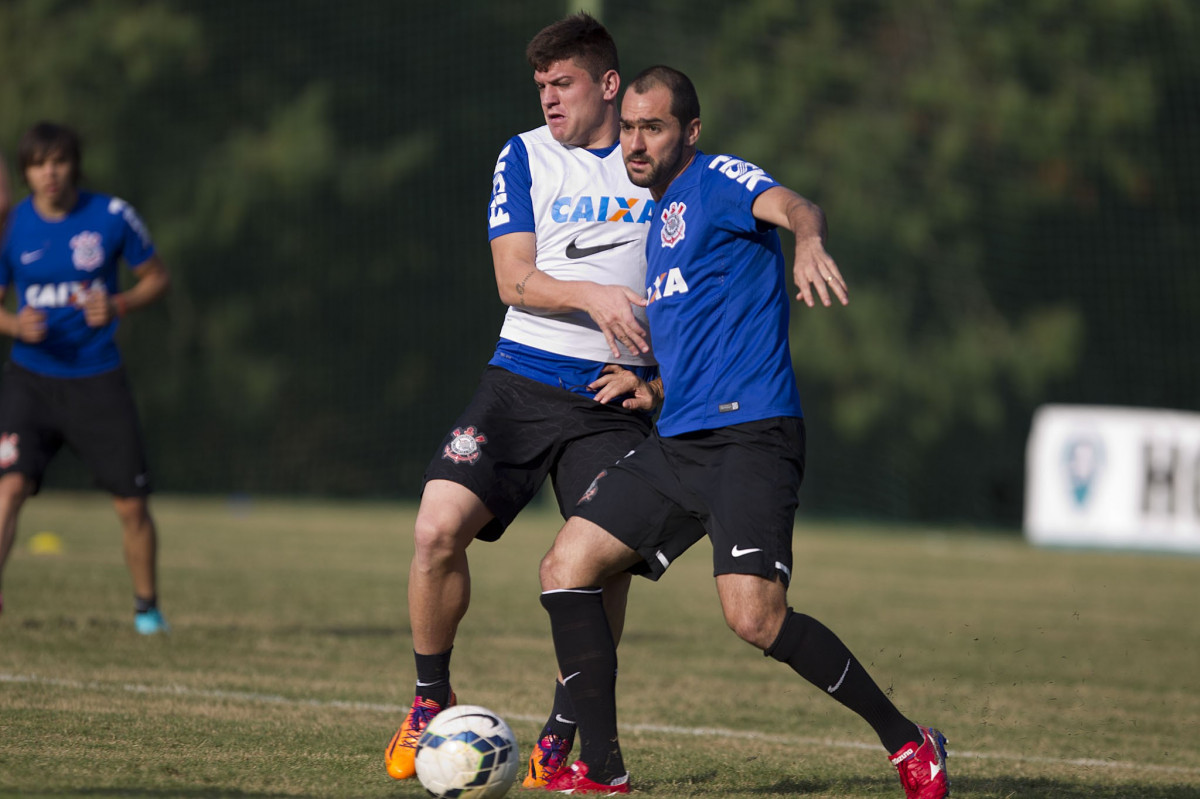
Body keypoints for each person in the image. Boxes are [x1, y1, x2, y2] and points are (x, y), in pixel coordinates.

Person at [537, 66, 950, 798]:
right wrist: (652, 383)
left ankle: (911, 743)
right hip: (679, 443)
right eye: (628, 127)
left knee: (755, 617)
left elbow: (796, 204)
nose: (635, 142)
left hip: (752, 439)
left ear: (688, 133)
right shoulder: (657, 223)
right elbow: (705, 338)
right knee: (566, 564)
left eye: (652, 127)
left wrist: (809, 243)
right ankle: (601, 770)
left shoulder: (719, 179)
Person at [384, 13, 660, 787]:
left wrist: (657, 372)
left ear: (608, 85)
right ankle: (428, 699)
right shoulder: (527, 156)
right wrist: (595, 297)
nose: (548, 98)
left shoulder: (659, 165)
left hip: (613, 397)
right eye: (540, 85)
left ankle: (564, 729)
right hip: (521, 379)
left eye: (562, 82)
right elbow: (514, 280)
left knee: (598, 567)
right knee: (436, 528)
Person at [0, 122, 171, 634]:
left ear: (74, 164)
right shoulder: (10, 227)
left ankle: (147, 610)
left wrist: (118, 303)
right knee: (7, 488)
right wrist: (14, 323)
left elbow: (157, 277)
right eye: (37, 163)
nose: (48, 173)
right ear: (26, 171)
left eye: (58, 161)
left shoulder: (111, 216)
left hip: (97, 379)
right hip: (30, 379)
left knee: (131, 504)